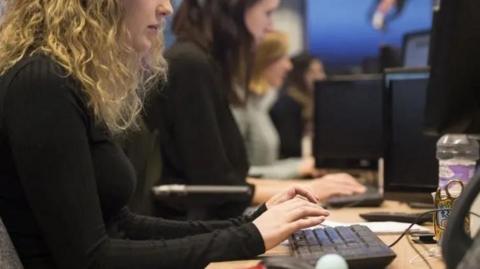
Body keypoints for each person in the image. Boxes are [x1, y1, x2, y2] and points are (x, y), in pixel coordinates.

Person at [0, 0, 331, 268]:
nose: (167, 8)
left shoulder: (69, 82)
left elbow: (124, 225)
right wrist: (250, 238)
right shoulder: (41, 83)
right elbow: (90, 258)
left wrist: (253, 224)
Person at [144, 0, 366, 220]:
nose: (270, 27)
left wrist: (303, 187)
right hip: (196, 236)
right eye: (267, 13)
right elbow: (216, 188)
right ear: (233, 11)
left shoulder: (204, 64)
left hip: (207, 231)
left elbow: (231, 183)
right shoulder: (190, 64)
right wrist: (307, 189)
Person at [231, 32, 321, 179]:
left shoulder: (257, 106)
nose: (289, 66)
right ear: (263, 60)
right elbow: (239, 177)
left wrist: (306, 165)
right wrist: (298, 169)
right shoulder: (239, 106)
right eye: (282, 58)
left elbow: (267, 167)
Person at [270, 53, 327, 159]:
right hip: (290, 164)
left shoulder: (315, 103)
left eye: (321, 71)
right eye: (312, 72)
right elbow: (290, 147)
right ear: (298, 75)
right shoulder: (287, 105)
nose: (320, 77)